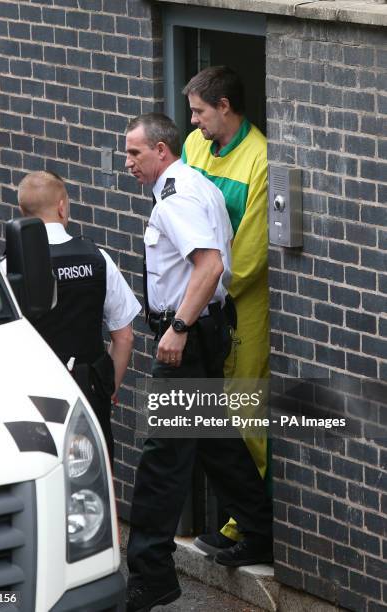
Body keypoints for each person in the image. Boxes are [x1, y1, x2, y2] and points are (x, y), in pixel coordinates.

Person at [124, 113, 272, 611]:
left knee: (161, 462)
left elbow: (208, 265)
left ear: (162, 151)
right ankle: (258, 529)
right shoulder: (196, 183)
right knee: (215, 441)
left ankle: (150, 576)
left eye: (135, 154)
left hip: (184, 339)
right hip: (205, 331)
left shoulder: (176, 196)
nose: (128, 164)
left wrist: (178, 329)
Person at [182, 66, 270, 565]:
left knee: (244, 409)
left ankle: (247, 527)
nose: (193, 122)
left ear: (225, 108)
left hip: (241, 304)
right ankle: (236, 517)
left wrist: (207, 293)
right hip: (204, 301)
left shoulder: (259, 158)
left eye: (199, 112)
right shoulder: (196, 149)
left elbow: (253, 251)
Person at [17, 171, 141, 461]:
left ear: (22, 214)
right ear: (62, 206)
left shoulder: (9, 265)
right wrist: (107, 388)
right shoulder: (98, 258)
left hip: (34, 396)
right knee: (93, 477)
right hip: (89, 391)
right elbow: (124, 337)